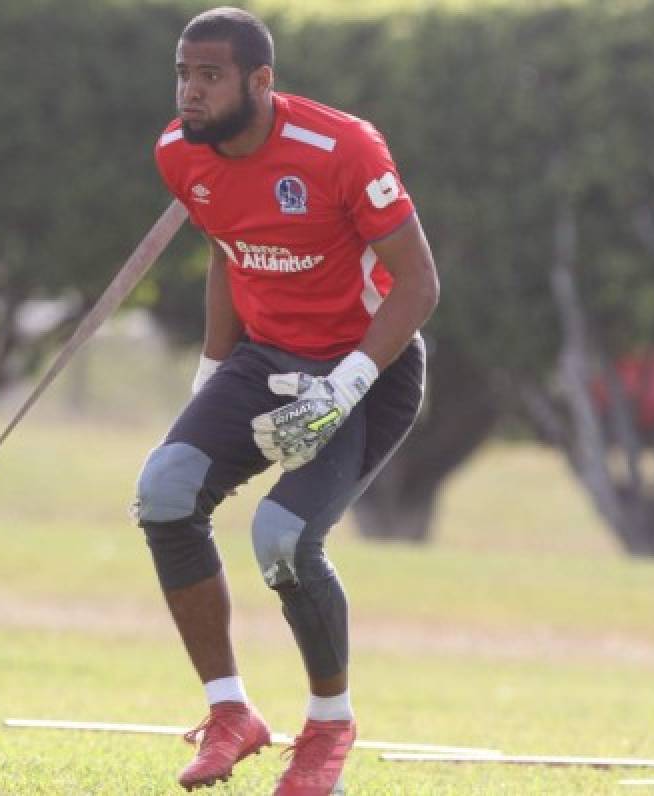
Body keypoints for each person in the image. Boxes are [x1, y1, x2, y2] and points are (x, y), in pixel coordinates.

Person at [133, 7, 439, 794]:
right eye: (182, 74)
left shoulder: (344, 147)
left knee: (282, 538)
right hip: (262, 359)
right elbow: (228, 255)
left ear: (260, 82)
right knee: (165, 492)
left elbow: (419, 285)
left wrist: (345, 387)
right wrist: (211, 376)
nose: (189, 93)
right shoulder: (179, 154)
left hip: (369, 368)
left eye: (209, 76)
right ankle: (231, 713)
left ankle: (328, 728)